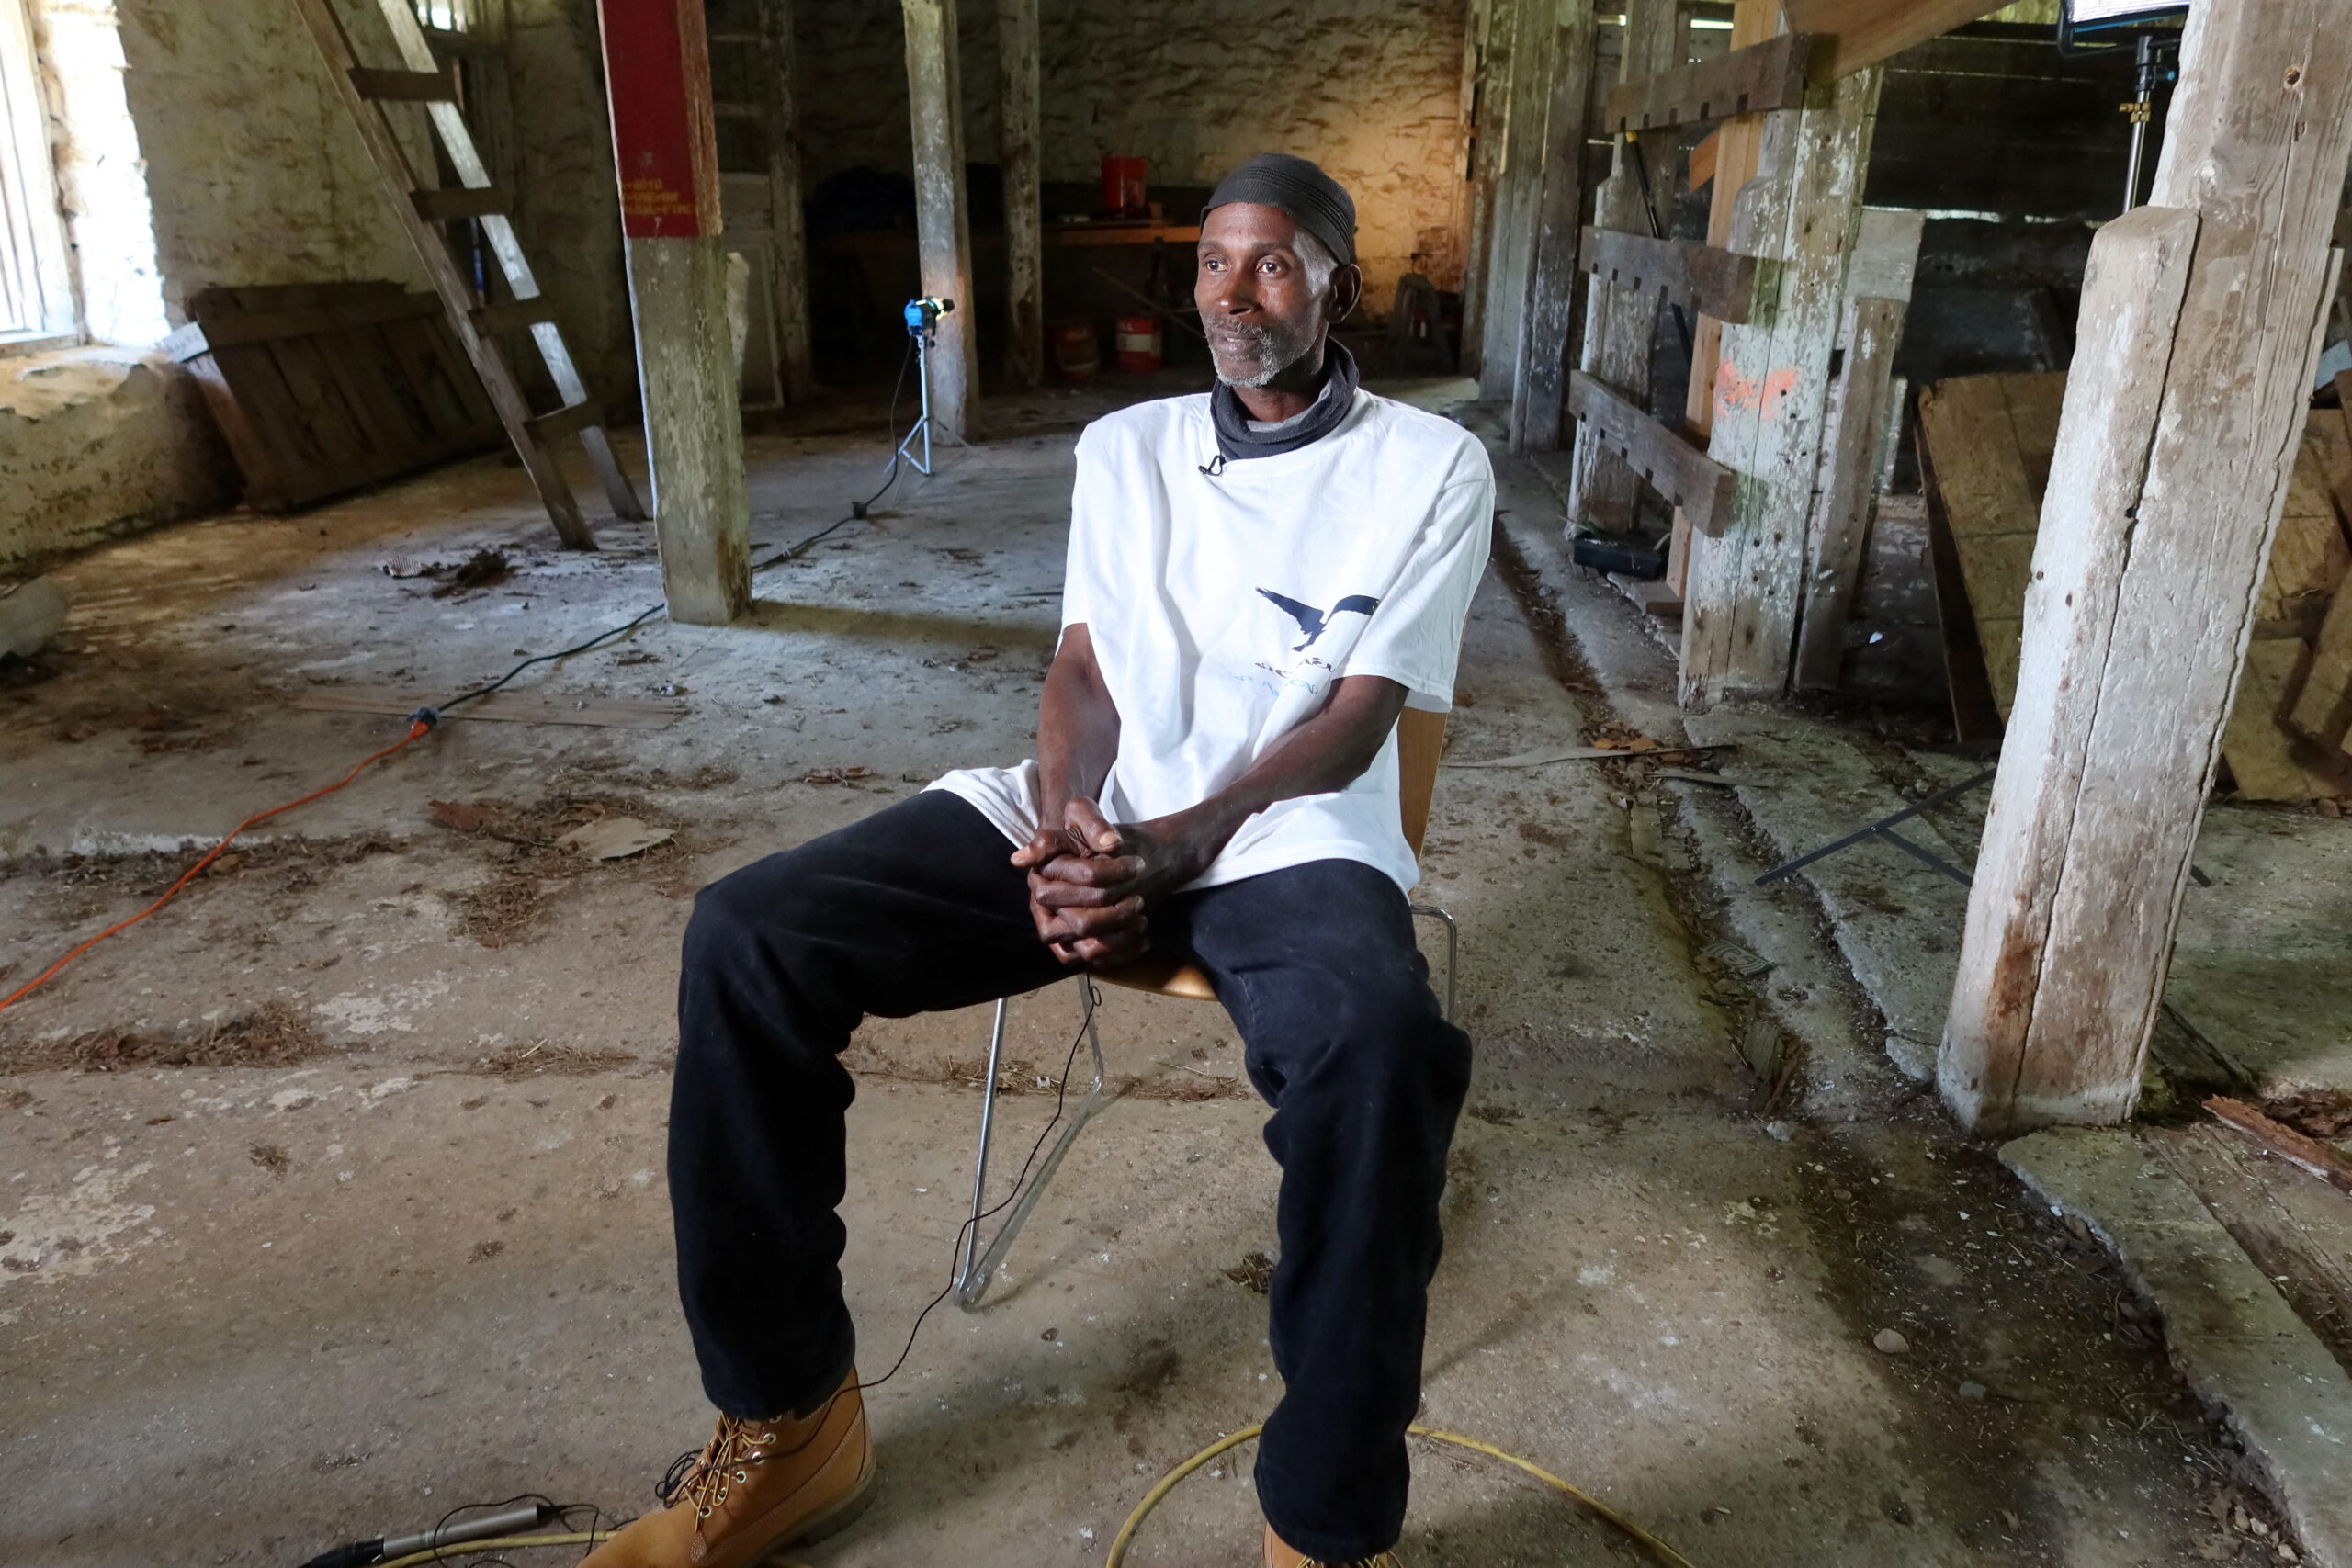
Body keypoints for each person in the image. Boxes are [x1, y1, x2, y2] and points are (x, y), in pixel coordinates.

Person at [582, 152, 1494, 1568]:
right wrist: (1070, 823)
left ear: (1339, 286)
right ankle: (792, 1423)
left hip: (1284, 834)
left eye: (1272, 264)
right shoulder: (1127, 449)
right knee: (751, 935)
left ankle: (1322, 1520)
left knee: (1379, 1050)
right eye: (1213, 262)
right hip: (1105, 811)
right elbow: (1084, 667)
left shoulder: (1428, 464)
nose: (1234, 295)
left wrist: (1176, 846)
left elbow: (1361, 715)